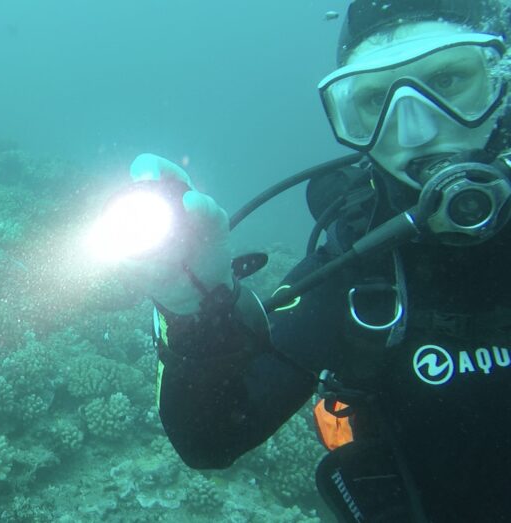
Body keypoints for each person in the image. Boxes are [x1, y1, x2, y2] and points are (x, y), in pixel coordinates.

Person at [122, 1, 511, 521]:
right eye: (375, 100)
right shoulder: (355, 271)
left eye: (448, 79)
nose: (416, 130)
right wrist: (197, 313)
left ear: (500, 79)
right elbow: (211, 442)